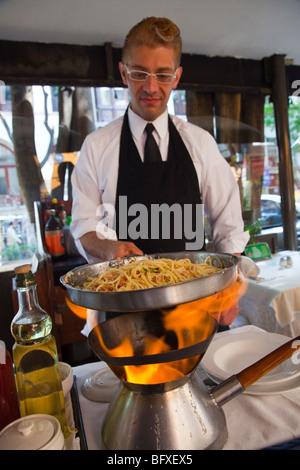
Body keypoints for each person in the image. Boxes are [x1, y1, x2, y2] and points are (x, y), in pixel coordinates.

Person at [71, 17, 249, 330]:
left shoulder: (200, 144)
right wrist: (109, 248)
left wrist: (231, 288)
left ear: (176, 77)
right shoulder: (97, 146)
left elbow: (229, 227)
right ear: (124, 72)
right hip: (124, 314)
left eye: (163, 75)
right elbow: (84, 225)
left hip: (195, 308)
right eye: (139, 73)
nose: (151, 87)